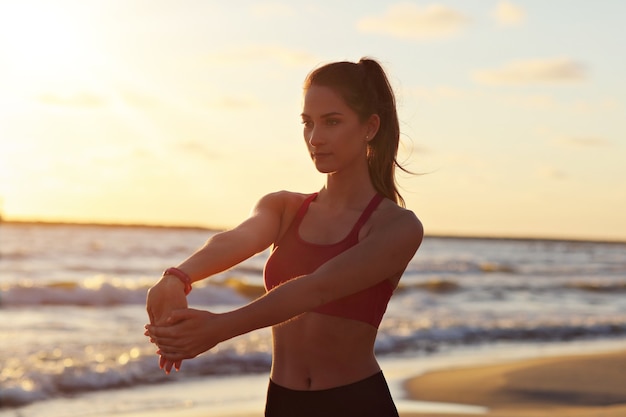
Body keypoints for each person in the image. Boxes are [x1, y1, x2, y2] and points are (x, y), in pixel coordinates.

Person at [145, 57, 424, 417]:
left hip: (355, 403)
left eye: (332, 122)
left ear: (370, 127)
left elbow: (316, 288)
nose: (315, 138)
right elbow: (234, 239)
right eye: (307, 123)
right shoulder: (283, 208)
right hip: (283, 402)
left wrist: (218, 328)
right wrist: (177, 277)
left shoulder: (396, 227)